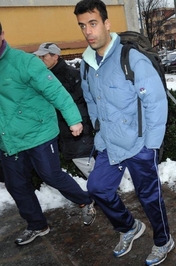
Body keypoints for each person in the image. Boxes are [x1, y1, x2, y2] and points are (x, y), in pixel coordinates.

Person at [73, 1, 174, 264]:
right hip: (109, 144)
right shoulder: (86, 64)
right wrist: (99, 133)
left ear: (106, 24)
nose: (88, 32)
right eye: (83, 26)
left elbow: (156, 102)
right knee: (97, 188)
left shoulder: (131, 58)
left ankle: (163, 241)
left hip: (139, 144)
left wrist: (151, 145)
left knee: (149, 197)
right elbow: (92, 103)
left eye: (93, 24)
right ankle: (129, 227)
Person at [0, 22, 96, 246]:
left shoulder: (24, 62)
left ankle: (85, 200)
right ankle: (37, 225)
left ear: (2, 34)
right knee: (16, 185)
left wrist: (74, 119)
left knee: (50, 174)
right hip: (9, 139)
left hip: (39, 131)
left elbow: (54, 90)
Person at [33, 42, 95, 178]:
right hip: (69, 130)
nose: (41, 60)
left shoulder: (69, 75)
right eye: (40, 57)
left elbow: (84, 101)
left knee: (85, 162)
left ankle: (105, 193)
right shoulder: (49, 75)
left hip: (77, 130)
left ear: (55, 56)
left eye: (44, 57)